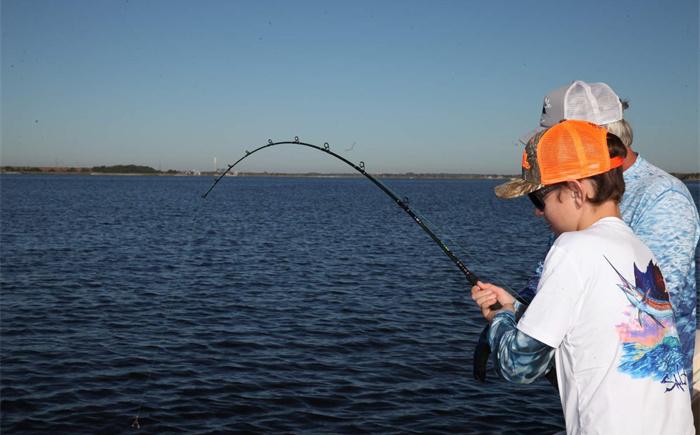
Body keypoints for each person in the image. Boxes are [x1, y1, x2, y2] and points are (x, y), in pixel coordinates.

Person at [472, 119, 694, 434]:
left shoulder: (572, 248)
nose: (538, 212)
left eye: (540, 197)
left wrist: (501, 317)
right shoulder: (640, 251)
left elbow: (518, 367)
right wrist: (522, 311)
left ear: (577, 190)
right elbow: (593, 332)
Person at [494, 81, 700, 388]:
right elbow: (554, 284)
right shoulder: (580, 196)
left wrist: (508, 328)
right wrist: (517, 308)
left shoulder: (663, 198)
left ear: (589, 135)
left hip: (646, 391)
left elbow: (646, 312)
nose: (539, 209)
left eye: (555, 138)